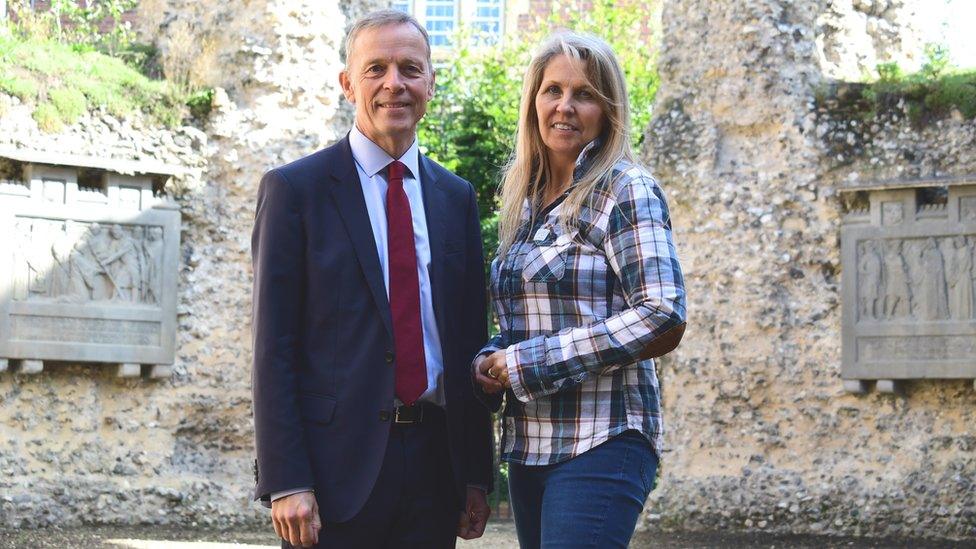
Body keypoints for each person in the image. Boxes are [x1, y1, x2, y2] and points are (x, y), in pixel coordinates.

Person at [251, 10, 493, 548]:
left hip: (436, 466)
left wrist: (476, 471)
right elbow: (274, 346)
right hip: (336, 472)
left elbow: (466, 338)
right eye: (375, 68)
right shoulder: (297, 192)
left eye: (410, 68)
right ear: (346, 84)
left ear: (431, 82)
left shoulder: (456, 199)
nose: (394, 84)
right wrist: (286, 479)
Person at [473, 32, 687, 548]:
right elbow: (530, 321)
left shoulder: (625, 188)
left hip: (603, 439)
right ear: (533, 102)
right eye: (552, 91)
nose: (565, 107)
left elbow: (663, 314)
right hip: (530, 445)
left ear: (607, 109)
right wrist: (493, 357)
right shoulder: (524, 201)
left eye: (584, 94)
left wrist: (528, 363)